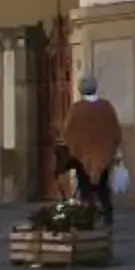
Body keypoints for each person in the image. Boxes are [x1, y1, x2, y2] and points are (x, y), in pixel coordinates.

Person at [57, 73, 123, 227]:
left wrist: (74, 147)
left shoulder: (77, 109)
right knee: (103, 186)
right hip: (103, 154)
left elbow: (68, 132)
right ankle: (107, 214)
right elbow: (114, 129)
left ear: (81, 89)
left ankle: (87, 216)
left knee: (85, 186)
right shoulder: (106, 107)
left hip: (82, 155)